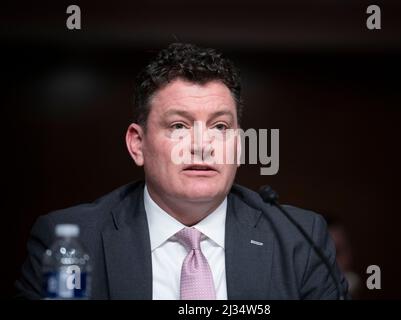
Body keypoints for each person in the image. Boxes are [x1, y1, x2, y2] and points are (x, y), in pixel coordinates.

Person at [15, 43, 349, 300]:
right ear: (137, 144)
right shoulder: (70, 242)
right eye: (178, 125)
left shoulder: (299, 240)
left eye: (219, 126)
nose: (202, 145)